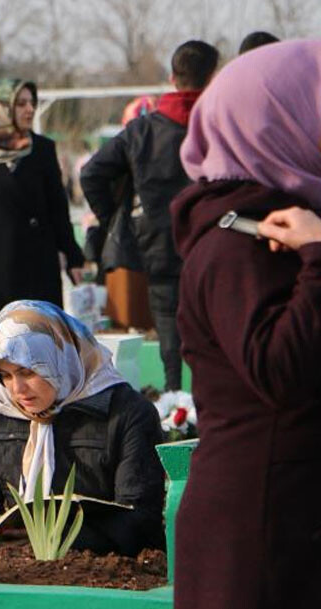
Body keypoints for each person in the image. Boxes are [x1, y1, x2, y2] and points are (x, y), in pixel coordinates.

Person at [170, 40, 321, 609]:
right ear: (280, 122)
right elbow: (281, 370)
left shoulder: (282, 222)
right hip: (257, 530)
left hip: (286, 519)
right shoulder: (239, 240)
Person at [0, 300, 165, 556]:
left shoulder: (126, 413)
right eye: (6, 375)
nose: (17, 389)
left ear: (60, 357)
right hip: (14, 564)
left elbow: (140, 517)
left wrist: (58, 539)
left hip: (98, 570)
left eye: (28, 372)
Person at [80, 41, 219, 393]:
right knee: (217, 329)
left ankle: (177, 407)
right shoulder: (221, 124)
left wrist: (116, 218)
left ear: (172, 78)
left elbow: (92, 173)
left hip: (158, 242)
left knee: (169, 332)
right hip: (214, 240)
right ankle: (214, 401)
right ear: (213, 76)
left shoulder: (141, 131)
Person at [0, 79, 85, 356]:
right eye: (21, 103)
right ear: (0, 109)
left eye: (31, 103)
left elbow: (58, 208)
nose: (30, 109)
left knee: (38, 344)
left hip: (36, 266)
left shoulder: (43, 149)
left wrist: (73, 256)